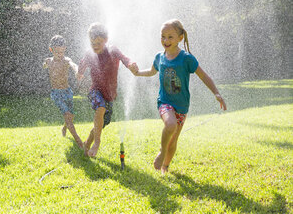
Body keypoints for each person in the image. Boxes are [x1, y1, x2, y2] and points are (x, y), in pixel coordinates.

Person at [133, 19, 227, 174]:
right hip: (164, 102)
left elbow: (203, 76)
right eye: (163, 36)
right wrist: (137, 73)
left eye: (170, 37)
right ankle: (162, 153)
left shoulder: (186, 58)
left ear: (180, 38)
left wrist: (216, 92)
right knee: (170, 125)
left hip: (182, 105)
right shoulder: (159, 57)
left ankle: (166, 166)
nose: (166, 40)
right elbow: (151, 71)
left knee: (173, 140)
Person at [77, 22, 138, 157]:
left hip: (110, 95)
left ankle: (87, 145)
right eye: (92, 42)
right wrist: (79, 74)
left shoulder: (113, 50)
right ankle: (97, 143)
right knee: (100, 108)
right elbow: (81, 67)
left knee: (100, 124)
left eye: (99, 42)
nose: (95, 45)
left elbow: (124, 59)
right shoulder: (89, 54)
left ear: (106, 40)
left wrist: (131, 64)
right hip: (95, 91)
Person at [43, 35, 83, 149]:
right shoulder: (49, 61)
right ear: (51, 50)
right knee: (67, 115)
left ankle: (65, 127)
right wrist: (44, 65)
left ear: (64, 49)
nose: (60, 54)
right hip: (56, 94)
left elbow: (73, 65)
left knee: (71, 115)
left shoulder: (66, 60)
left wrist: (77, 72)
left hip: (67, 91)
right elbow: (44, 64)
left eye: (62, 51)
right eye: (57, 52)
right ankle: (79, 141)